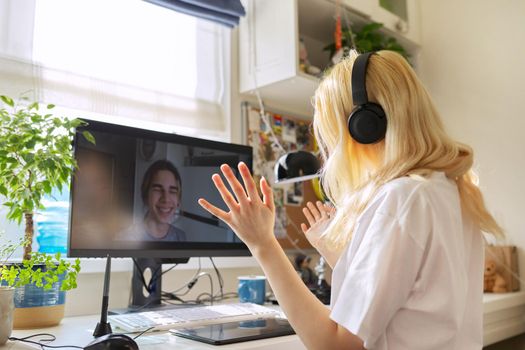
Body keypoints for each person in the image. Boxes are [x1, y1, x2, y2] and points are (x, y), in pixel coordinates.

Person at [198, 50, 503, 349]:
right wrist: (344, 257)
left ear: (366, 127)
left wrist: (262, 244)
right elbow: (415, 299)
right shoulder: (449, 191)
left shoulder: (401, 199)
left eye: (331, 137)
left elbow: (336, 344)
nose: (330, 153)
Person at [123, 159, 187, 242]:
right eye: (157, 189)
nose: (166, 199)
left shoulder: (180, 237)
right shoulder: (125, 238)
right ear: (146, 195)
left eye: (172, 191)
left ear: (178, 200)